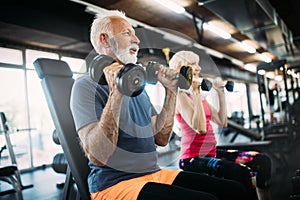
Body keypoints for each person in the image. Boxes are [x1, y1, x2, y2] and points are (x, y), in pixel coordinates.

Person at [70, 10, 251, 200]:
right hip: (114, 186)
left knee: (234, 190)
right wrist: (116, 92)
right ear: (104, 40)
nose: (137, 40)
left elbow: (161, 138)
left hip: (154, 174)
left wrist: (171, 91)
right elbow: (98, 156)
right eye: (127, 33)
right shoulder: (85, 86)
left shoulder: (136, 87)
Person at [169, 50, 272, 200]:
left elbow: (222, 122)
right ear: (180, 70)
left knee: (262, 161)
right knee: (241, 173)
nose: (198, 68)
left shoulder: (201, 98)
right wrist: (196, 93)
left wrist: (220, 93)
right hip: (193, 159)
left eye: (197, 64)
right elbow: (201, 128)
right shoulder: (181, 96)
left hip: (211, 152)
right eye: (192, 64)